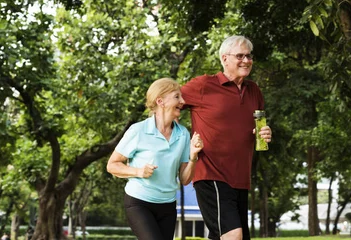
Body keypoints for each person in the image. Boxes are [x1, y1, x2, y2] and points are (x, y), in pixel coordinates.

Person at [181, 35, 272, 240]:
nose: (246, 61)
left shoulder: (254, 90)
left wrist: (265, 132)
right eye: (240, 56)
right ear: (224, 58)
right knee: (233, 235)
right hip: (211, 173)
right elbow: (170, 104)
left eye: (249, 56)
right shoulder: (203, 85)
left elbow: (257, 126)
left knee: (227, 236)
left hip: (240, 177)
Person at [107, 78, 203, 240]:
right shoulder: (139, 130)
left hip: (168, 205)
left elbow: (185, 179)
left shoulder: (183, 134)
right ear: (161, 101)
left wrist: (193, 156)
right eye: (177, 97)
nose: (183, 101)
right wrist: (138, 171)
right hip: (139, 202)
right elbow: (112, 165)